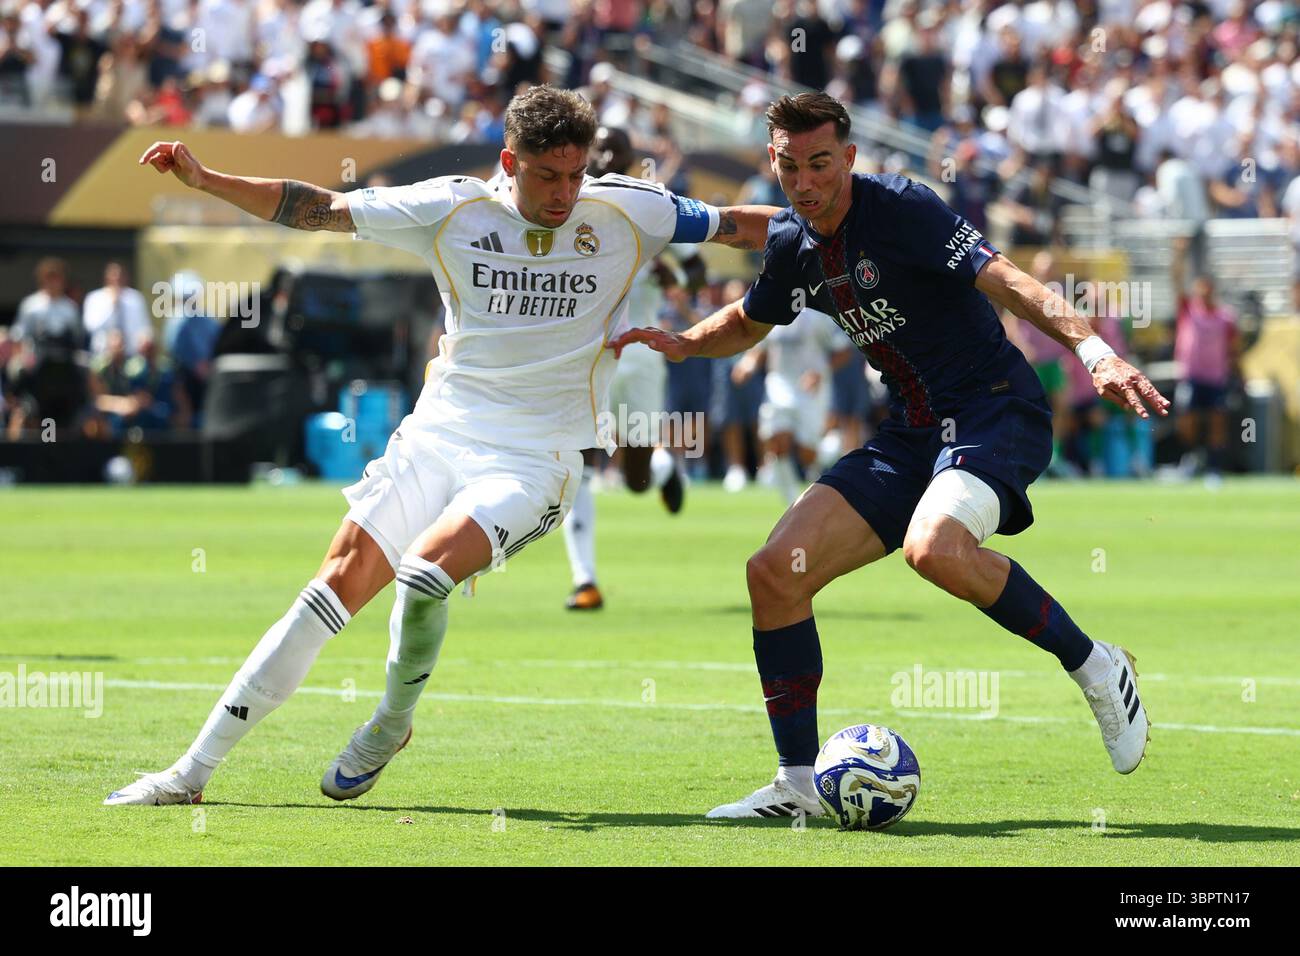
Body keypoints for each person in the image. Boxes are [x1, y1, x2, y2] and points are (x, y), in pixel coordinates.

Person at [106, 85, 776, 806]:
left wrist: (848, 216)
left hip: (537, 457)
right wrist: (208, 181)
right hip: (438, 433)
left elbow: (739, 224)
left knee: (425, 571)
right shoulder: (449, 206)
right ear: (507, 162)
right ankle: (190, 774)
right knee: (329, 588)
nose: (565, 192)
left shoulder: (629, 207)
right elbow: (320, 208)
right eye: (547, 175)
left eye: (575, 174)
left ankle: (391, 721)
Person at [612, 93, 1169, 820]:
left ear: (848, 157)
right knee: (775, 573)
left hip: (994, 408)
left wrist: (1094, 350)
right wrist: (686, 342)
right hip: (910, 434)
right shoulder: (792, 242)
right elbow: (749, 321)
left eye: (819, 164)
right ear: (773, 163)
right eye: (788, 166)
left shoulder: (904, 207)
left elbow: (1008, 280)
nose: (805, 181)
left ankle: (1096, 665)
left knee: (934, 548)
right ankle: (796, 787)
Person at [561, 126, 698, 611]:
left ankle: (661, 472)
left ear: (631, 156)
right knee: (575, 458)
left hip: (640, 352)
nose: (602, 155)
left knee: (634, 475)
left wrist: (677, 275)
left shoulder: (653, 204)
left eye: (612, 148)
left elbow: (697, 265)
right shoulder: (566, 202)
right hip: (581, 353)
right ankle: (585, 580)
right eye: (595, 147)